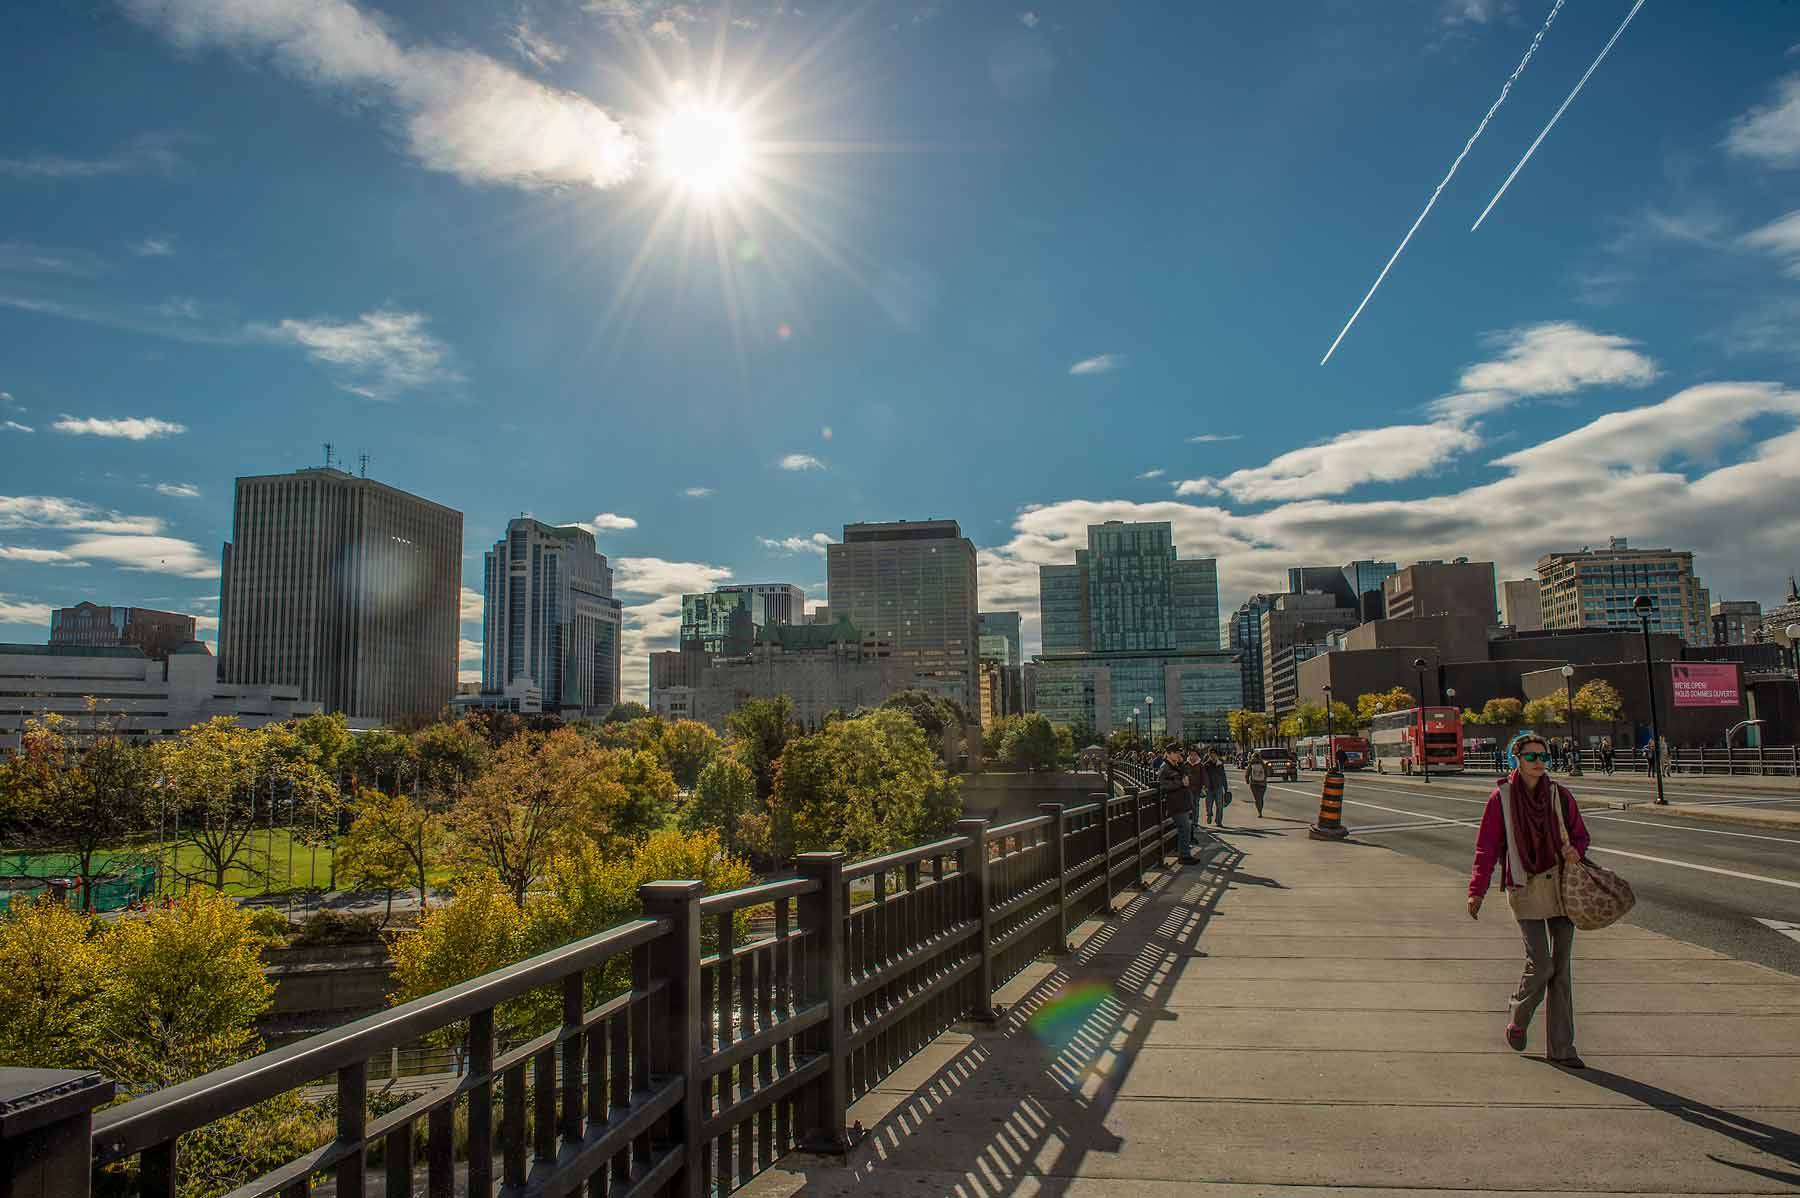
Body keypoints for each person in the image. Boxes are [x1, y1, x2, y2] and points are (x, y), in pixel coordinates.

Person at [1467, 732, 1592, 1069]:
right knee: (1542, 964)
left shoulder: (1560, 795)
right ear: (1516, 761)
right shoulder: (1501, 798)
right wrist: (1477, 890)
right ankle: (1519, 1014)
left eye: (1543, 756)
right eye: (1532, 757)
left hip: (1561, 887)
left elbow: (1581, 835)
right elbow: (1487, 848)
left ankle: (1563, 1048)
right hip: (1524, 886)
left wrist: (1574, 850)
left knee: (1561, 970)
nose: (1539, 762)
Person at [1156, 749, 1191, 861]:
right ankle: (1184, 856)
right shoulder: (1164, 767)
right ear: (1169, 754)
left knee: (1186, 829)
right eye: (1176, 753)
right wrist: (1180, 783)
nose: (1178, 754)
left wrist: (1181, 763)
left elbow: (1186, 775)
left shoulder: (1176, 765)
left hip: (1182, 802)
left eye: (1179, 753)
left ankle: (1185, 855)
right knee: (1184, 828)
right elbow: (1162, 784)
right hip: (1175, 803)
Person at [1245, 752, 1269, 817]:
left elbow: (1247, 773)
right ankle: (1260, 811)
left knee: (1257, 798)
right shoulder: (1263, 764)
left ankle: (1259, 811)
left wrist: (1247, 780)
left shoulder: (1251, 764)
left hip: (1254, 784)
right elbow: (1267, 772)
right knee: (1260, 798)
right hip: (1262, 784)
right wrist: (1265, 778)